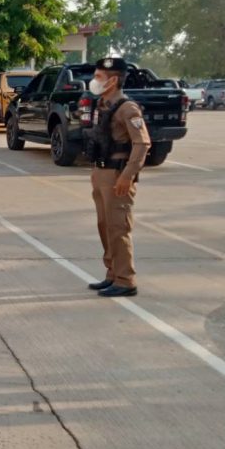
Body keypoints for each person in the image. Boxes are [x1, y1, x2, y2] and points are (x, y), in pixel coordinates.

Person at [85, 56, 151, 298]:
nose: (94, 81)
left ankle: (125, 280)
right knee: (105, 226)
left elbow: (142, 143)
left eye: (98, 77)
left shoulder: (127, 108)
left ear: (113, 81)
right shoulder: (103, 104)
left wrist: (127, 176)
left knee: (118, 228)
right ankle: (112, 273)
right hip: (101, 172)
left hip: (117, 175)